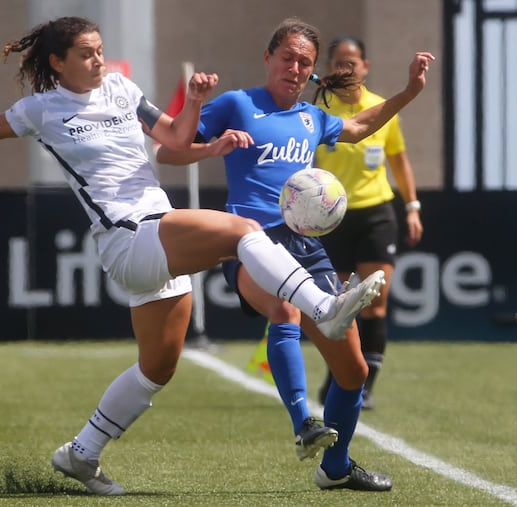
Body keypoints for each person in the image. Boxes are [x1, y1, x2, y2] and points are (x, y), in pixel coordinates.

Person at [0, 16, 386, 496]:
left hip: (157, 231)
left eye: (100, 50)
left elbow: (173, 138)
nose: (98, 60)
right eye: (87, 53)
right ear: (57, 63)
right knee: (243, 230)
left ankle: (81, 454)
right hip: (127, 236)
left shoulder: (121, 89)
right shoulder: (39, 109)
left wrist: (203, 122)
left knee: (158, 367)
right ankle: (322, 308)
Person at [157, 17, 433, 491]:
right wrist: (206, 131)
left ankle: (337, 468)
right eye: (287, 57)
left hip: (307, 248)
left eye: (304, 62)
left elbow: (363, 124)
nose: (295, 67)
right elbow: (169, 151)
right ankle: (304, 421)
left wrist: (409, 91)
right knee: (283, 308)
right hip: (249, 244)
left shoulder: (311, 117)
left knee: (354, 371)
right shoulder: (238, 104)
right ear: (268, 58)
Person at [314, 36, 424, 411]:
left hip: (377, 213)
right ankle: (339, 376)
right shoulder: (317, 109)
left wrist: (412, 205)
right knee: (340, 306)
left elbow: (399, 160)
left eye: (353, 62)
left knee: (375, 304)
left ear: (366, 65)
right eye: (340, 62)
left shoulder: (381, 109)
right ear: (329, 66)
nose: (347, 68)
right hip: (331, 219)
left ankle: (365, 387)